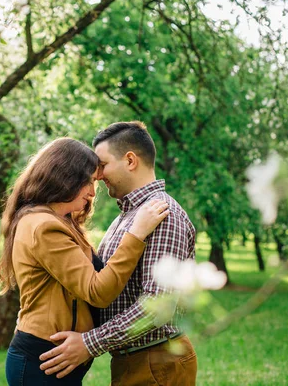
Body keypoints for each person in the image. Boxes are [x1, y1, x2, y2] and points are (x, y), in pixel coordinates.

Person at [0, 137, 171, 386]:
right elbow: (97, 291)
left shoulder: (51, 219)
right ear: (66, 178)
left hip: (52, 358)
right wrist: (136, 234)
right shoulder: (45, 227)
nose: (92, 192)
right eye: (88, 181)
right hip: (44, 361)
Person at [39, 122, 198, 386]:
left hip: (158, 362)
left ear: (130, 160)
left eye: (102, 165)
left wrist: (89, 344)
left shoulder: (164, 216)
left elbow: (157, 307)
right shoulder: (129, 216)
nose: (97, 176)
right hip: (133, 360)